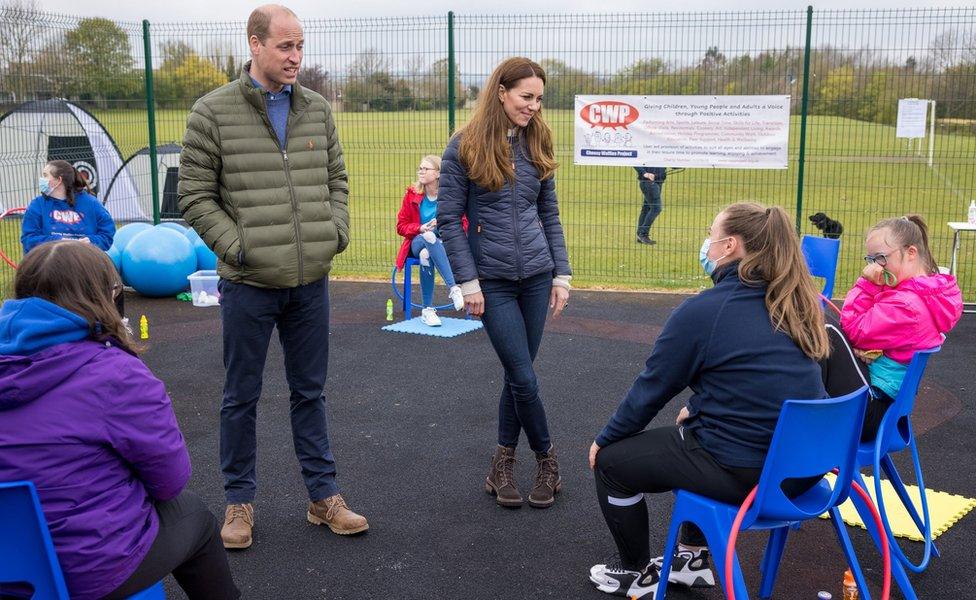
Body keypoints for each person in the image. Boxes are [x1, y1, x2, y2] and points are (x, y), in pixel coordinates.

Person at [178, 4, 366, 550]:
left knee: (310, 392)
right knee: (241, 396)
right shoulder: (211, 112)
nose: (296, 58)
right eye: (285, 46)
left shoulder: (316, 109)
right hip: (249, 285)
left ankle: (322, 497)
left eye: (300, 46)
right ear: (255, 44)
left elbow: (336, 179)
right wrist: (241, 248)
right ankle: (239, 503)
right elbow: (194, 196)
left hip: (311, 283)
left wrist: (335, 233)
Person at [587, 202, 830, 599]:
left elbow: (653, 387)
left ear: (730, 245)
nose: (707, 243)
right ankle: (691, 559)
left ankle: (638, 572)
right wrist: (699, 409)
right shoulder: (798, 303)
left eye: (711, 234)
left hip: (750, 476)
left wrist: (604, 439)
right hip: (805, 470)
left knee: (613, 464)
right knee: (692, 427)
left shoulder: (706, 310)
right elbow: (767, 383)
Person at [0, 241, 239, 600]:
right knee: (195, 515)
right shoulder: (117, 374)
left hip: (9, 571)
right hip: (89, 574)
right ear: (103, 296)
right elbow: (170, 481)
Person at [439, 57, 572, 509]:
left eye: (539, 98)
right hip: (491, 282)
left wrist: (562, 273)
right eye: (526, 97)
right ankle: (548, 461)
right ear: (501, 92)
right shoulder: (464, 147)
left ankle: (500, 468)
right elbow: (448, 222)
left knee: (519, 376)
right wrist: (468, 282)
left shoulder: (539, 141)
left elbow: (548, 214)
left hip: (537, 277)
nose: (534, 106)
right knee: (523, 374)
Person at [823, 215, 962, 440]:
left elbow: (851, 330)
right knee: (826, 335)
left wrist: (867, 285)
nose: (874, 267)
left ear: (911, 253)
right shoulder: (919, 295)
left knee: (827, 332)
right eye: (870, 259)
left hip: (874, 412)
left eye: (880, 258)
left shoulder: (905, 305)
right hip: (885, 403)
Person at [395, 154, 465, 326]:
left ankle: (427, 310)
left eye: (426, 168)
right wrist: (420, 228)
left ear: (438, 174)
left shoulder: (449, 196)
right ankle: (454, 288)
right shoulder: (412, 194)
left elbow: (463, 223)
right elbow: (401, 226)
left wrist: (441, 224)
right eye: (420, 168)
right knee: (427, 237)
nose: (421, 171)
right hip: (416, 242)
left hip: (442, 243)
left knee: (427, 254)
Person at [21, 160, 115, 254]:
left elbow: (107, 235)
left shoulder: (92, 203)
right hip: (48, 263)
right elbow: (29, 239)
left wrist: (91, 241)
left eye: (45, 175)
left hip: (84, 261)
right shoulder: (37, 205)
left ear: (59, 180)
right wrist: (59, 242)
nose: (41, 179)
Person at [634, 166, 666, 245]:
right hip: (648, 182)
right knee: (656, 208)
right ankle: (643, 233)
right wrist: (644, 173)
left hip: (658, 180)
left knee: (646, 208)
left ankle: (640, 234)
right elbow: (635, 161)